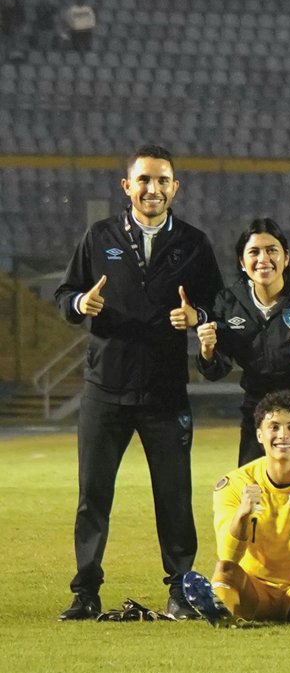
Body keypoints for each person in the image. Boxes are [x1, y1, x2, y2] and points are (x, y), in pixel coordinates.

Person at [57, 144, 225, 621]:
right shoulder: (99, 236)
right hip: (104, 389)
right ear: (126, 186)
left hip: (165, 391)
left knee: (173, 496)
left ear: (175, 187)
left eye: (162, 181)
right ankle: (86, 590)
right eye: (144, 181)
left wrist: (198, 316)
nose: (153, 189)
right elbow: (65, 294)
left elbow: (221, 308)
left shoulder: (194, 243)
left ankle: (181, 588)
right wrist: (78, 306)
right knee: (94, 496)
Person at [197, 218, 290, 467]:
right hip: (261, 409)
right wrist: (208, 350)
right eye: (254, 252)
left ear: (286, 258)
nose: (263, 259)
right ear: (242, 263)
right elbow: (217, 369)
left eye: (271, 250)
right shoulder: (228, 301)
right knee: (253, 492)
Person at [202, 392, 290, 624]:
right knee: (224, 571)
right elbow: (228, 556)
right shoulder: (235, 484)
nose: (283, 435)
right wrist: (242, 514)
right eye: (274, 427)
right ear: (259, 435)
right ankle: (222, 613)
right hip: (253, 593)